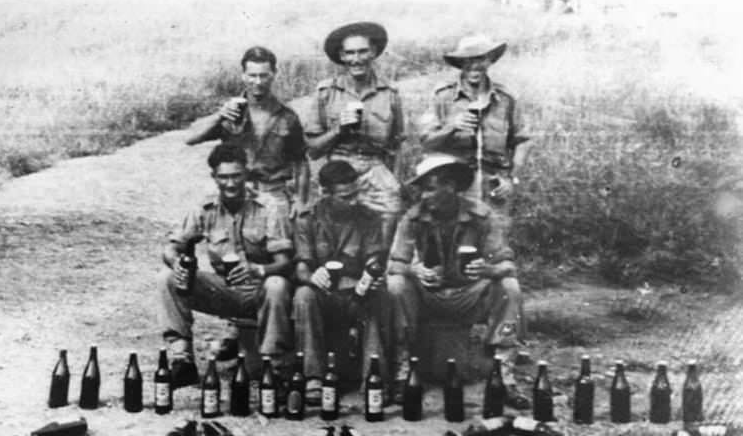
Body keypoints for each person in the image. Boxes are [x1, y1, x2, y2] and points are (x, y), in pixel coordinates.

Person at [185, 46, 309, 360]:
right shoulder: (231, 112)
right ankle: (235, 328)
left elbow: (300, 161)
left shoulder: (287, 116)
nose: (257, 82)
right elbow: (191, 137)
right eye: (251, 75)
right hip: (238, 188)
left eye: (263, 75)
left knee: (278, 255)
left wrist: (303, 200)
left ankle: (277, 330)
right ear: (243, 75)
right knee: (229, 249)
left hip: (273, 190)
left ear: (273, 75)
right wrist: (218, 116)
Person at [386, 153, 530, 408]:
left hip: (469, 295)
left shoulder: (481, 216)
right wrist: (415, 270)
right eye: (421, 190)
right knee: (396, 285)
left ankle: (504, 376)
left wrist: (489, 270)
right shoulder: (412, 218)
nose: (424, 196)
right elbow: (394, 263)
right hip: (428, 296)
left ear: (450, 187)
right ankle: (402, 371)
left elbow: (507, 264)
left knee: (509, 287)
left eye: (430, 189)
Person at [157, 143, 293, 387]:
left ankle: (274, 367)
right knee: (166, 277)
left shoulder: (269, 206)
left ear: (246, 174)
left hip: (260, 292)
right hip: (225, 292)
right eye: (224, 177)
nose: (230, 184)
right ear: (214, 177)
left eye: (236, 176)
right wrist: (177, 263)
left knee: (277, 284)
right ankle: (182, 358)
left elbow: (285, 262)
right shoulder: (205, 207)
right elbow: (172, 246)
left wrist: (258, 269)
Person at [291, 160, 388, 404]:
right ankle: (313, 378)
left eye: (356, 193)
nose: (354, 201)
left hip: (356, 294)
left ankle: (374, 379)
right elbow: (301, 264)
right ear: (325, 193)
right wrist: (311, 276)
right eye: (346, 196)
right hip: (323, 296)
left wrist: (371, 275)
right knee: (304, 295)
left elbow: (375, 258)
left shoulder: (369, 218)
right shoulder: (307, 219)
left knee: (376, 297)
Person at [303, 21, 405, 250]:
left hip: (374, 167)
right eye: (349, 53)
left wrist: (395, 181)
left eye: (362, 51)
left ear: (374, 52)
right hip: (337, 165)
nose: (356, 59)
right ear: (341, 56)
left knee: (392, 208)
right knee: (330, 223)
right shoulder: (326, 92)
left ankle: (379, 268)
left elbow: (397, 145)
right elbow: (313, 148)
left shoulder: (390, 93)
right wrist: (338, 129)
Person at [419, 34, 530, 218]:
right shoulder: (443, 97)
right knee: (456, 239)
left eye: (480, 59)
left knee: (494, 241)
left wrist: (510, 178)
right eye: (467, 60)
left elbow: (523, 140)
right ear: (460, 63)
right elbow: (426, 141)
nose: (474, 66)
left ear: (490, 61)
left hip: (494, 183)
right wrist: (451, 127)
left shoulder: (505, 99)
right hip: (455, 183)